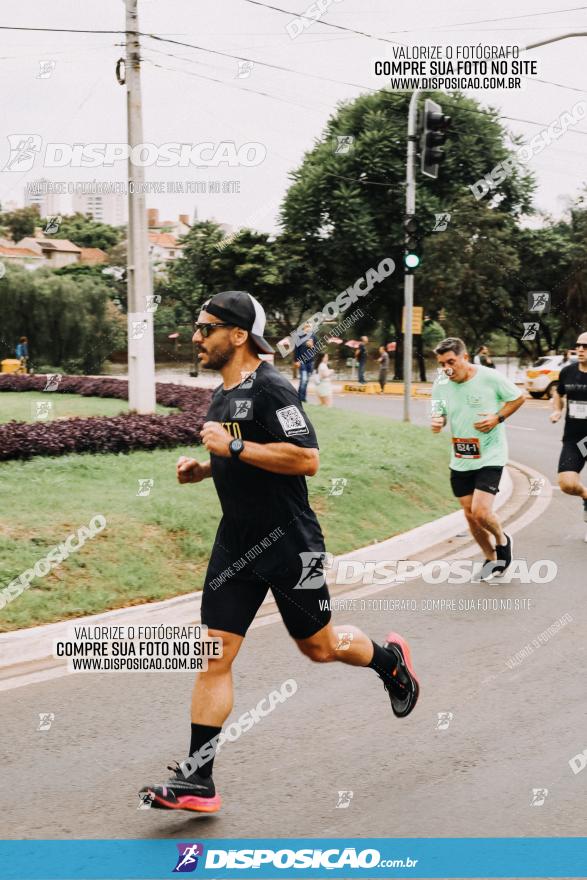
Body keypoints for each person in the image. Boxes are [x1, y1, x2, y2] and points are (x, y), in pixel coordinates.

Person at [139, 290, 419, 813]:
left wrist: (233, 447)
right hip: (235, 543)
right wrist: (205, 467)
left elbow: (306, 458)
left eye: (206, 328)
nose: (197, 337)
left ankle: (390, 662)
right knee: (215, 655)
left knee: (319, 647)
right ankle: (200, 781)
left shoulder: (273, 388)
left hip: (290, 543)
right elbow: (238, 455)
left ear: (238, 334)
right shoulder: (223, 394)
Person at [431, 337, 525, 579]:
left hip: (491, 455)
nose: (447, 368)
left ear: (464, 357)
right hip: (461, 457)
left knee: (481, 512)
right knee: (470, 515)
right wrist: (438, 421)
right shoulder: (441, 382)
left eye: (451, 361)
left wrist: (497, 418)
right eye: (442, 363)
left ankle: (502, 540)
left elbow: (518, 397)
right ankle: (490, 558)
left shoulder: (489, 377)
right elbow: (439, 410)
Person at [550, 331, 587, 534]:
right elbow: (559, 393)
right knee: (567, 484)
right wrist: (557, 410)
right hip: (574, 439)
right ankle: (586, 495)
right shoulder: (567, 372)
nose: (580, 349)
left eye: (585, 346)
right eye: (578, 345)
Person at [294, 322, 316, 403]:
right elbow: (296, 350)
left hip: (310, 362)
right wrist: (296, 361)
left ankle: (303, 398)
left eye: (310, 326)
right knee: (304, 379)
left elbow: (316, 349)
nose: (309, 328)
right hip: (301, 361)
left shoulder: (313, 336)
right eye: (307, 326)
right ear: (304, 328)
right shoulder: (299, 336)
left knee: (306, 381)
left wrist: (312, 346)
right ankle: (299, 397)